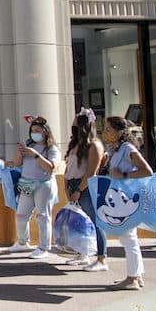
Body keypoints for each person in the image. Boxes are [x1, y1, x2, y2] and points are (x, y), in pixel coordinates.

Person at [102, 116, 153, 290]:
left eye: (108, 129)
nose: (105, 132)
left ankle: (132, 278)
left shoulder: (127, 148)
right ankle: (136, 275)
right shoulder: (114, 149)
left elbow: (147, 171)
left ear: (120, 132)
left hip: (128, 198)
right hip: (119, 198)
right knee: (129, 238)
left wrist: (123, 176)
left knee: (128, 237)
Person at [4, 115, 61, 259]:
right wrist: (20, 151)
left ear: (45, 132)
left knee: (43, 216)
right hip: (27, 184)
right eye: (32, 131)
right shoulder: (29, 145)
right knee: (21, 214)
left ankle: (43, 247)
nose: (34, 133)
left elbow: (51, 168)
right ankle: (23, 242)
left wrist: (36, 155)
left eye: (38, 130)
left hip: (44, 185)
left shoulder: (51, 148)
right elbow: (17, 163)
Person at [63, 107, 108, 271]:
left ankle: (102, 258)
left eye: (76, 125)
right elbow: (68, 167)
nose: (73, 127)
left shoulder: (94, 146)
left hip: (85, 187)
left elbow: (91, 173)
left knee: (95, 222)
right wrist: (67, 187)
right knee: (79, 222)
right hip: (73, 184)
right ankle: (83, 253)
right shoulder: (75, 144)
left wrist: (79, 190)